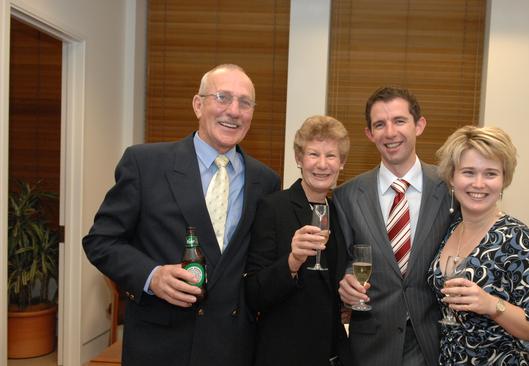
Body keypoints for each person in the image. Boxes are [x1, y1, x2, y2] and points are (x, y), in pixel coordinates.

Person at [82, 64, 280, 365]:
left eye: (245, 102)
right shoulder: (145, 164)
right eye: (223, 97)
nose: (234, 111)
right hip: (161, 345)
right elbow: (101, 241)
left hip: (233, 348)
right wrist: (152, 275)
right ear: (198, 105)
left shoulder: (265, 181)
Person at [334, 86, 453, 366]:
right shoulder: (346, 196)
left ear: (419, 125)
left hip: (434, 341)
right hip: (372, 344)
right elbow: (347, 259)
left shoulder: (450, 188)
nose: (390, 132)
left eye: (399, 121)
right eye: (379, 124)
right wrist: (347, 282)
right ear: (369, 134)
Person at [427, 125, 529, 365]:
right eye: (468, 172)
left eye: (490, 173)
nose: (479, 183)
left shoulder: (521, 240)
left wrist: (491, 305)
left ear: (503, 180)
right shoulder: (449, 229)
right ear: (452, 178)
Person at [245, 115, 353, 366]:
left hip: (330, 353)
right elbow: (254, 292)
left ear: (342, 163)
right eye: (313, 154)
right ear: (298, 159)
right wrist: (292, 261)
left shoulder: (339, 212)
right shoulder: (273, 207)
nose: (322, 164)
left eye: (331, 156)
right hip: (284, 352)